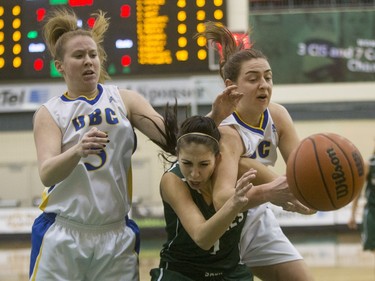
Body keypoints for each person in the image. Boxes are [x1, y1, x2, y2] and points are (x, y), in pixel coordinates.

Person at [28, 9, 245, 281]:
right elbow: (47, 172)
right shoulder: (50, 113)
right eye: (79, 56)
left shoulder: (124, 99)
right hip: (63, 231)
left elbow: (176, 143)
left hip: (115, 234)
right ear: (60, 65)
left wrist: (215, 116)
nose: (88, 62)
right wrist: (77, 151)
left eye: (93, 55)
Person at [198, 22, 316, 281]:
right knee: (243, 164)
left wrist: (313, 193)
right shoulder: (227, 131)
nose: (263, 84)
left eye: (268, 77)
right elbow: (222, 199)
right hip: (219, 226)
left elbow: (301, 172)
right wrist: (272, 191)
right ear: (232, 86)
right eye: (253, 79)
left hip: (258, 218)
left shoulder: (278, 115)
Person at [144, 105, 289, 281]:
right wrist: (234, 204)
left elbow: (288, 188)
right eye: (187, 163)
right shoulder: (173, 181)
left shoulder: (242, 169)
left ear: (218, 158)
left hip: (230, 274)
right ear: (177, 155)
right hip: (182, 274)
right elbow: (203, 238)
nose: (195, 174)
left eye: (204, 164)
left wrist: (307, 200)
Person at [348, 144, 375, 254]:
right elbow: (358, 192)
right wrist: (352, 214)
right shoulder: (369, 164)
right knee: (372, 247)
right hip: (372, 211)